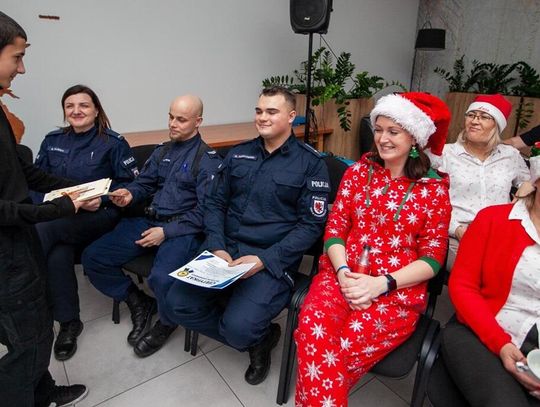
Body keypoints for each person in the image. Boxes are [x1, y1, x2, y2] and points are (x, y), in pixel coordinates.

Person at [294, 92, 452, 406]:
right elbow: (335, 229)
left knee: (327, 354)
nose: (382, 138)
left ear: (414, 138)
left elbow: (433, 260)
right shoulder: (355, 174)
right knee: (311, 329)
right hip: (340, 277)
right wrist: (342, 273)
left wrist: (381, 283)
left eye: (393, 131)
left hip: (395, 292)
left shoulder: (433, 192)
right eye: (378, 129)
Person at [165, 86, 330, 385]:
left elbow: (311, 225)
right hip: (225, 251)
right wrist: (217, 246)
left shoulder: (310, 163)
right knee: (175, 303)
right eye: (258, 111)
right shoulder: (238, 154)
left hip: (269, 258)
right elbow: (214, 203)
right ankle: (254, 335)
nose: (262, 117)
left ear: (291, 117)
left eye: (271, 111)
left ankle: (256, 336)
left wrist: (264, 260)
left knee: (238, 330)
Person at [82, 94, 221, 357]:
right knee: (93, 257)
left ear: (198, 122)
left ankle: (166, 323)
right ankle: (138, 301)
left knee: (161, 279)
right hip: (148, 220)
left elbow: (206, 211)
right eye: (170, 116)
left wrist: (165, 232)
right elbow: (144, 183)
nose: (173, 123)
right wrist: (130, 194)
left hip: (181, 229)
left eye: (181, 119)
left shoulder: (208, 161)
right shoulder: (163, 151)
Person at [0, 11, 88, 407]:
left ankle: (44, 391)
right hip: (8, 249)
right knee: (29, 340)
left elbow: (27, 174)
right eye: (16, 57)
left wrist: (77, 189)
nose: (22, 68)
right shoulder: (54, 138)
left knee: (34, 328)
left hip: (23, 238)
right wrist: (62, 208)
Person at [31, 84, 138, 361]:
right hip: (62, 217)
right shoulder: (52, 140)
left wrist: (101, 200)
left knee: (44, 230)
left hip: (99, 216)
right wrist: (46, 204)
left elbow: (130, 185)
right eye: (70, 106)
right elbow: (35, 183)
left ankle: (23, 290)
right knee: (56, 253)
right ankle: (69, 323)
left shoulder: (113, 143)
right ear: (64, 112)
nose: (76, 111)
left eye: (84, 105)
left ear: (96, 110)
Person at [439, 153, 540, 407]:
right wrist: (502, 345)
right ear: (537, 180)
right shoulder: (493, 220)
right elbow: (463, 286)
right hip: (484, 330)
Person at [435, 94, 530, 268]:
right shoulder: (445, 154)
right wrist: (457, 229)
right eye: (471, 115)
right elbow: (433, 202)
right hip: (458, 232)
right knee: (480, 271)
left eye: (484, 117)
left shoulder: (510, 155)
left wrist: (526, 187)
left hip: (500, 233)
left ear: (497, 125)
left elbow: (530, 182)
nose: (474, 121)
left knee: (522, 269)